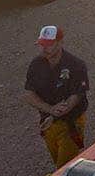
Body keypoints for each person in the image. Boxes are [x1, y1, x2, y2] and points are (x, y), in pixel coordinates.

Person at [23, 26, 90, 167]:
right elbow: (29, 94)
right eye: (42, 44)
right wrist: (50, 110)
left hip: (71, 123)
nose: (44, 48)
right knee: (58, 162)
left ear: (60, 43)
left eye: (49, 45)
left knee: (64, 168)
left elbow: (77, 95)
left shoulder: (76, 65)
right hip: (48, 123)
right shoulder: (36, 64)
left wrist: (56, 112)